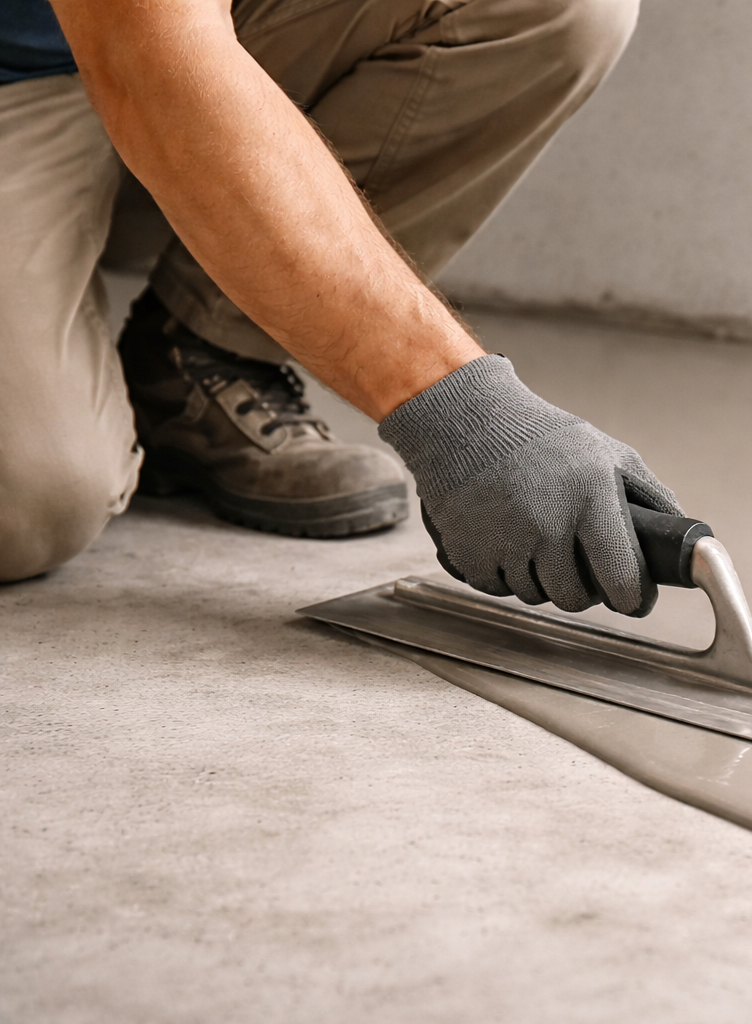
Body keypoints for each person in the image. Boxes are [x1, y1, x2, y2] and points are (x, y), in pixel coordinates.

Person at [0, 0, 681, 617]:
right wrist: (465, 417)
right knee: (32, 502)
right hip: (59, 67)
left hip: (211, 28)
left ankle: (198, 352)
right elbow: (143, 55)